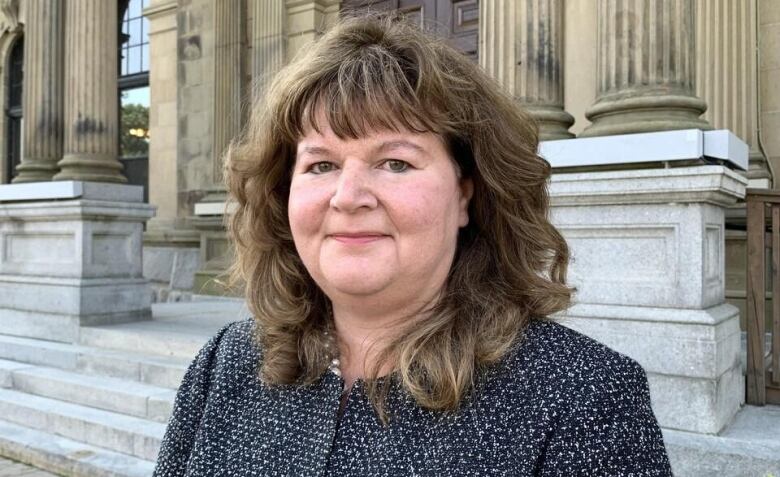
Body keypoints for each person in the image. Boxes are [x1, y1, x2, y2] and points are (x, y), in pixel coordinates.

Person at [152, 14, 673, 477]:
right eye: (321, 165)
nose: (348, 197)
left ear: (466, 194)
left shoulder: (584, 398)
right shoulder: (223, 367)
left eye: (395, 162)